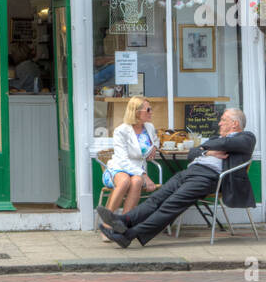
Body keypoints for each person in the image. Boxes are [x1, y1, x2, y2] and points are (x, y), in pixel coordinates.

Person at [98, 106, 255, 248]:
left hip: (209, 178)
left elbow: (226, 144)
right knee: (156, 198)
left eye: (223, 120)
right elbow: (191, 153)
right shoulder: (216, 139)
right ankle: (123, 220)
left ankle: (129, 235)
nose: (219, 123)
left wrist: (204, 147)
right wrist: (207, 152)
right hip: (190, 172)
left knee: (170, 206)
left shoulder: (247, 138)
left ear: (235, 124)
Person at [98, 96, 159, 240]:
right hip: (118, 168)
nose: (151, 112)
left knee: (136, 182)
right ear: (136, 112)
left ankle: (123, 225)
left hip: (138, 169)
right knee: (125, 182)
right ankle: (107, 227)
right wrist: (144, 175)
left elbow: (156, 140)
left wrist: (155, 147)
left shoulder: (149, 127)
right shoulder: (121, 131)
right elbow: (122, 160)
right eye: (148, 109)